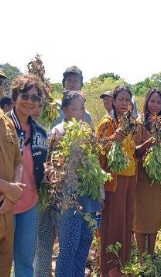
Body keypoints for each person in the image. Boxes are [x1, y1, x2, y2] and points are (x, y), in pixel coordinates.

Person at [49, 91, 102, 276]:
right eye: (75, 108)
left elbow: (96, 165)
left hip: (89, 198)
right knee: (69, 247)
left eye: (82, 108)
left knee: (83, 244)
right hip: (68, 199)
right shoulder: (57, 132)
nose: (79, 112)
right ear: (64, 110)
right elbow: (52, 166)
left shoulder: (88, 131)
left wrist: (100, 194)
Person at [6, 74, 48, 277]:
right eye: (25, 96)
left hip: (30, 204)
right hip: (5, 202)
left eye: (35, 98)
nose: (29, 102)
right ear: (14, 97)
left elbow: (39, 165)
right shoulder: (4, 126)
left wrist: (48, 174)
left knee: (25, 261)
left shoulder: (40, 132)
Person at [96, 85, 137, 276]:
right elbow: (97, 150)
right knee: (113, 226)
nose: (124, 103)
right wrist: (113, 138)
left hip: (129, 179)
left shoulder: (129, 122)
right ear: (113, 101)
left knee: (126, 224)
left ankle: (122, 265)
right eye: (121, 99)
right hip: (114, 182)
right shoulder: (107, 122)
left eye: (127, 100)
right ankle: (110, 269)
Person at [133, 89, 161, 256]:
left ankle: (151, 253)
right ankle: (140, 255)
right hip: (142, 179)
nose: (155, 105)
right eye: (152, 101)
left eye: (159, 102)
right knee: (140, 217)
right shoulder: (139, 123)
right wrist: (149, 143)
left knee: (155, 215)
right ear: (147, 102)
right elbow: (135, 151)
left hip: (157, 179)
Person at [0, 105, 24, 277]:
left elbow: (18, 161)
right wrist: (8, 188)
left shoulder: (7, 121)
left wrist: (13, 193)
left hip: (6, 210)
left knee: (4, 268)